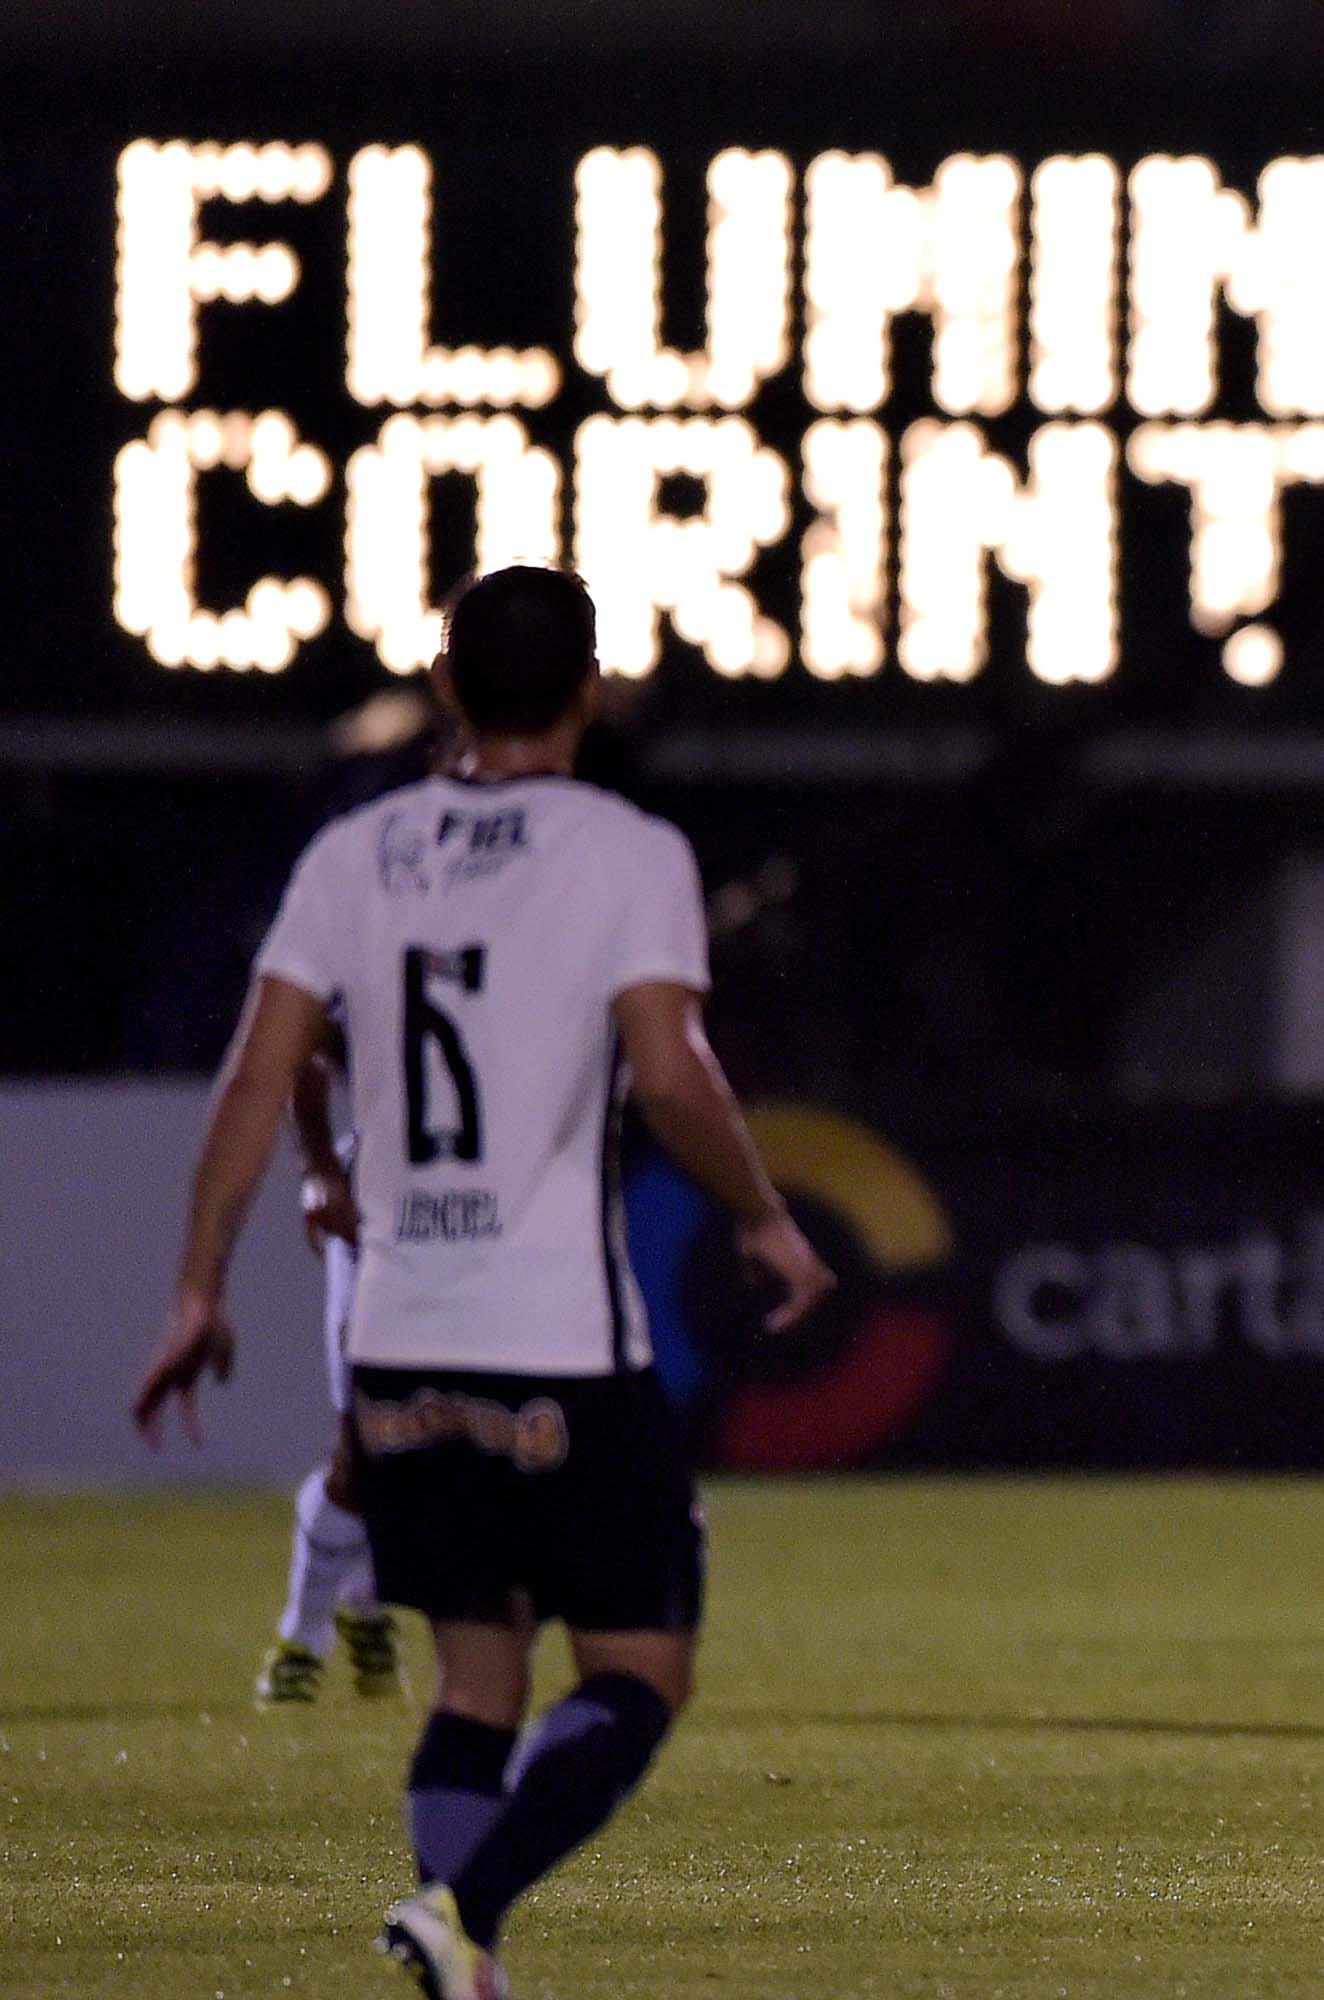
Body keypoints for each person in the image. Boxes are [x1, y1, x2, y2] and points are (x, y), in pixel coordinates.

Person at [131, 566, 837, 1998]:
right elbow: (670, 1072)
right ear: (590, 690)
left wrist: (199, 1290)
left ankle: (466, 1949)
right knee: (640, 1670)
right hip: (559, 1341)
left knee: (477, 1683)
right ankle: (466, 1912)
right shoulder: (628, 851)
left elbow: (258, 1076)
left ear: (444, 686)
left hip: (398, 1342)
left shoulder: (355, 854)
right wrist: (761, 1213)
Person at [249, 1040, 401, 1707]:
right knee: (363, 1438)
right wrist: (318, 1167)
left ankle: (366, 1603)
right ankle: (304, 1638)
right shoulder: (381, 938)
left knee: (462, 1436)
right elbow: (303, 1049)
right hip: (383, 1197)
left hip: (492, 1203)